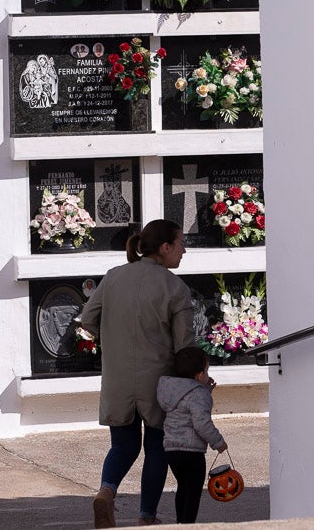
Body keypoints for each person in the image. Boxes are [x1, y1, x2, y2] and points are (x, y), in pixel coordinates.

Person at [80, 219, 196, 528]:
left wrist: (113, 340)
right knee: (156, 447)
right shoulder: (175, 287)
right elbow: (185, 346)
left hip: (117, 377)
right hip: (159, 381)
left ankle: (106, 491)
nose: (185, 250)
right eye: (181, 243)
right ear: (165, 247)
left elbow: (88, 320)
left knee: (123, 446)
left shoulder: (113, 277)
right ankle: (146, 516)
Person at [157, 347, 227, 524]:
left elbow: (188, 401)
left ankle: (181, 522)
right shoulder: (199, 394)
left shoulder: (171, 389)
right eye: (206, 370)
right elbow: (201, 423)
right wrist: (218, 442)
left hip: (172, 450)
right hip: (192, 452)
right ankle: (187, 524)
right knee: (193, 493)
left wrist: (205, 391)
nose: (207, 374)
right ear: (199, 375)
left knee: (183, 488)